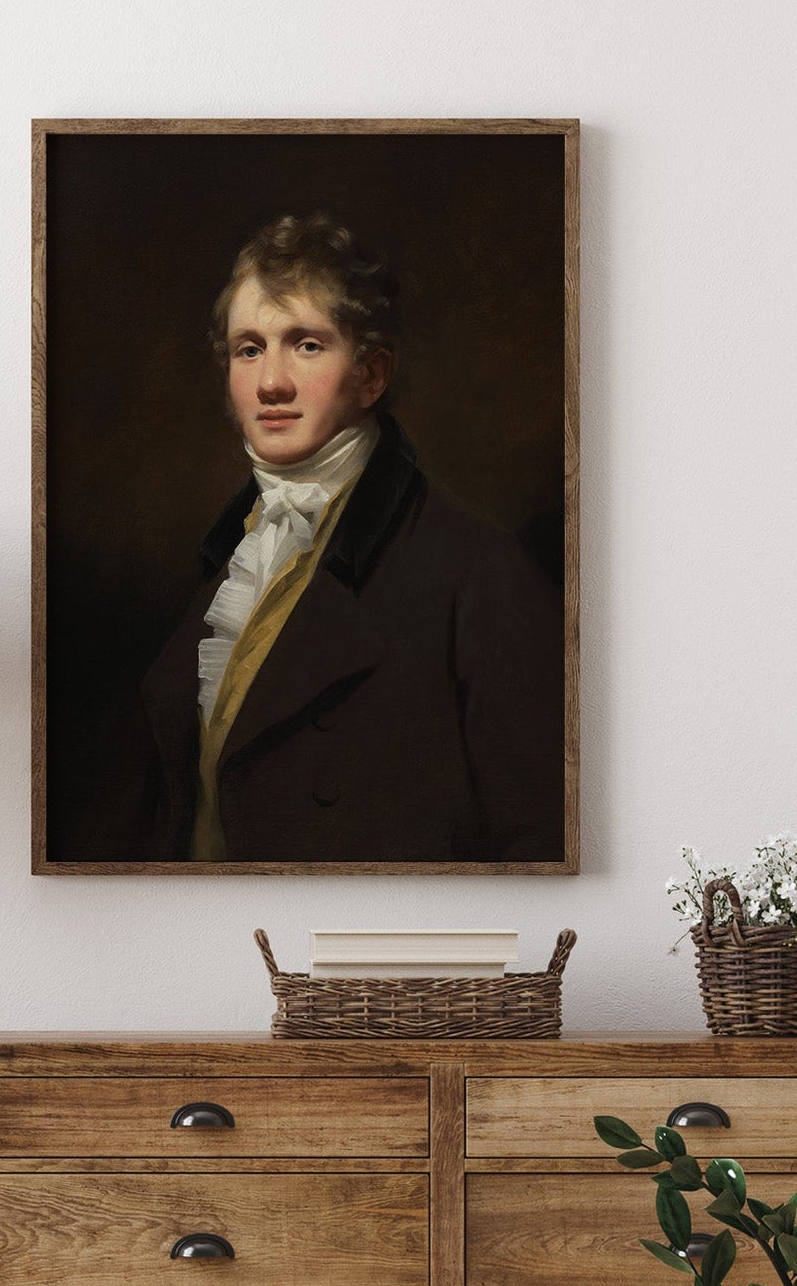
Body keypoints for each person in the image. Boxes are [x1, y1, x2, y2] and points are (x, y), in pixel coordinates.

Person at [131, 212, 567, 865]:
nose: (271, 381)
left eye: (306, 344)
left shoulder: (478, 576)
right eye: (250, 348)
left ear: (371, 374)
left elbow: (539, 841)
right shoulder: (231, 557)